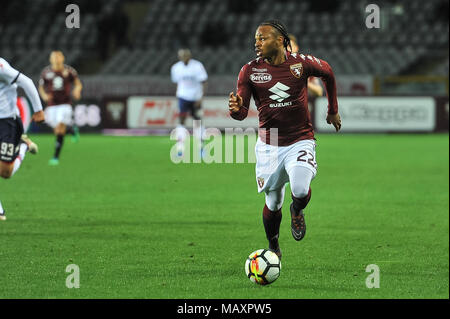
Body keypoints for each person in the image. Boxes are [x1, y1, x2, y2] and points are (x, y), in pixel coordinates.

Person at [228, 20, 341, 259]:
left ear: (279, 41)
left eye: (262, 38)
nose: (256, 43)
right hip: (269, 145)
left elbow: (328, 72)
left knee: (300, 188)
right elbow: (240, 114)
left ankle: (297, 210)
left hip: (300, 138)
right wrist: (235, 109)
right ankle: (273, 246)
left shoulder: (301, 63)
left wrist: (332, 109)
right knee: (273, 202)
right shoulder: (249, 70)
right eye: (256, 38)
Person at [0, 57, 45, 221]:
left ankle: (23, 145)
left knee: (5, 172)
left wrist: (38, 110)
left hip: (7, 122)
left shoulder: (1, 66)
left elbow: (26, 82)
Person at [39, 51, 82, 166]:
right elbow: (41, 87)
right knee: (57, 131)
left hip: (65, 104)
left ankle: (55, 156)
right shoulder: (46, 72)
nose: (56, 59)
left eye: (58, 57)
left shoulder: (69, 71)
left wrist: (77, 90)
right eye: (54, 57)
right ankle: (71, 130)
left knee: (59, 128)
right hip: (52, 105)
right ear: (50, 59)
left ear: (63, 58)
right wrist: (44, 96)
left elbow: (78, 83)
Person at [170, 48, 208, 157]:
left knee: (198, 121)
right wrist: (178, 95)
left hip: (196, 98)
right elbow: (177, 83)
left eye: (186, 55)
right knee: (181, 120)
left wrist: (201, 98)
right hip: (183, 97)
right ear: (179, 57)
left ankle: (201, 147)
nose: (184, 57)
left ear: (189, 56)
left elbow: (204, 82)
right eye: (182, 56)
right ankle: (180, 148)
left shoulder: (197, 66)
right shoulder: (175, 68)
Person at [288, 34, 323, 98]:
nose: (288, 49)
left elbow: (319, 92)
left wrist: (304, 81)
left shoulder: (306, 66)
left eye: (290, 46)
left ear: (296, 48)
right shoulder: (275, 67)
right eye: (285, 47)